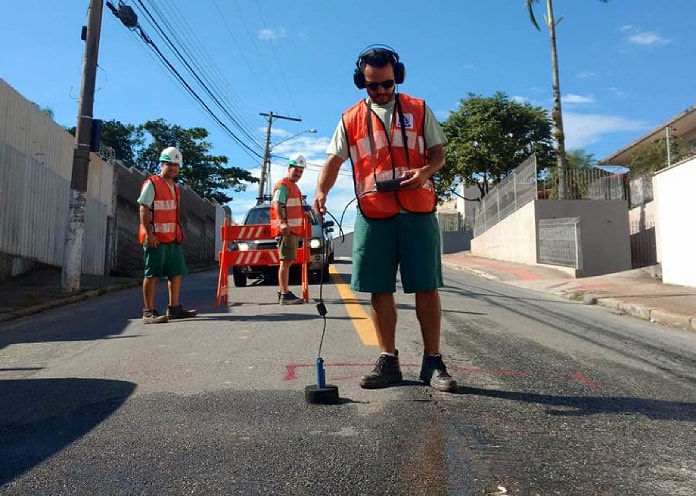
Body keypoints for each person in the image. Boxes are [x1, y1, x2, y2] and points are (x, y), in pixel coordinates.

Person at [312, 45, 457, 393]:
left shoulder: (419, 109)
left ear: (398, 78)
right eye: (371, 85)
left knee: (425, 285)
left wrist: (424, 172)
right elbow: (334, 160)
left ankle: (433, 362)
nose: (378, 91)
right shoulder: (350, 118)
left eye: (386, 84)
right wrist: (321, 192)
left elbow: (439, 153)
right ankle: (388, 360)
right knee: (379, 288)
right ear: (361, 82)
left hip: (417, 209)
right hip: (373, 211)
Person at [137, 146, 198, 324]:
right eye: (169, 164)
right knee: (152, 275)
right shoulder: (152, 183)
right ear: (162, 164)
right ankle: (148, 312)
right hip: (155, 238)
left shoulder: (175, 187)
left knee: (176, 273)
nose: (173, 168)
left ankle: (174, 308)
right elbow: (143, 208)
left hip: (172, 238)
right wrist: (149, 234)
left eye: (176, 165)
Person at [270, 155, 307, 305]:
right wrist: (282, 222)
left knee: (288, 260)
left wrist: (304, 215)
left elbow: (292, 208)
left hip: (292, 230)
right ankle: (284, 294)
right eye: (296, 171)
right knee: (285, 261)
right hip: (286, 230)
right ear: (289, 169)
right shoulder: (284, 185)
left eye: (301, 172)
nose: (298, 174)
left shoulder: (294, 187)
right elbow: (277, 204)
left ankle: (283, 292)